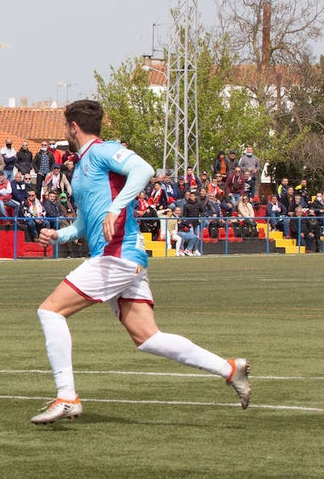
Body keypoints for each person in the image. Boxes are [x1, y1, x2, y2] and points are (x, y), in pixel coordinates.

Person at [32, 100, 250, 424]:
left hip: (118, 254)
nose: (66, 132)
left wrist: (116, 208)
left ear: (73, 127)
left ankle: (67, 396)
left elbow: (144, 170)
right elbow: (84, 222)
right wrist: (60, 237)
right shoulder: (80, 169)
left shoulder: (104, 151)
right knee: (148, 337)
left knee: (50, 311)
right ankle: (230, 369)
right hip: (120, 256)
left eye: (66, 127)